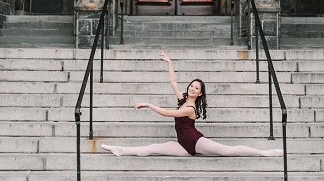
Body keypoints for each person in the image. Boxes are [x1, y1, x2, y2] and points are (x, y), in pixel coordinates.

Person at [101, 50, 282, 158]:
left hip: (195, 141)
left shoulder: (189, 108)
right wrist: (170, 63)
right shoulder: (183, 101)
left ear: (200, 93)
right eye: (192, 86)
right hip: (182, 144)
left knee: (227, 151)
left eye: (196, 88)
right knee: (153, 148)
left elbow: (166, 113)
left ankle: (266, 153)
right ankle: (120, 150)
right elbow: (173, 82)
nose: (193, 88)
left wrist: (148, 104)